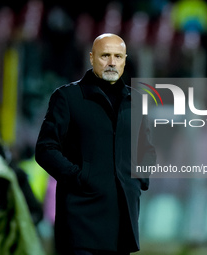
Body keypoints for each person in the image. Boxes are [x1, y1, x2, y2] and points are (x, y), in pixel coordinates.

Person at [35, 33, 156, 255]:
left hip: (122, 224)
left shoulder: (137, 101)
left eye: (118, 56)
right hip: (80, 222)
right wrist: (78, 177)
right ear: (91, 58)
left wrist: (136, 183)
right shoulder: (68, 97)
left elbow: (146, 149)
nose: (112, 62)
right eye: (105, 56)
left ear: (125, 60)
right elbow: (45, 149)